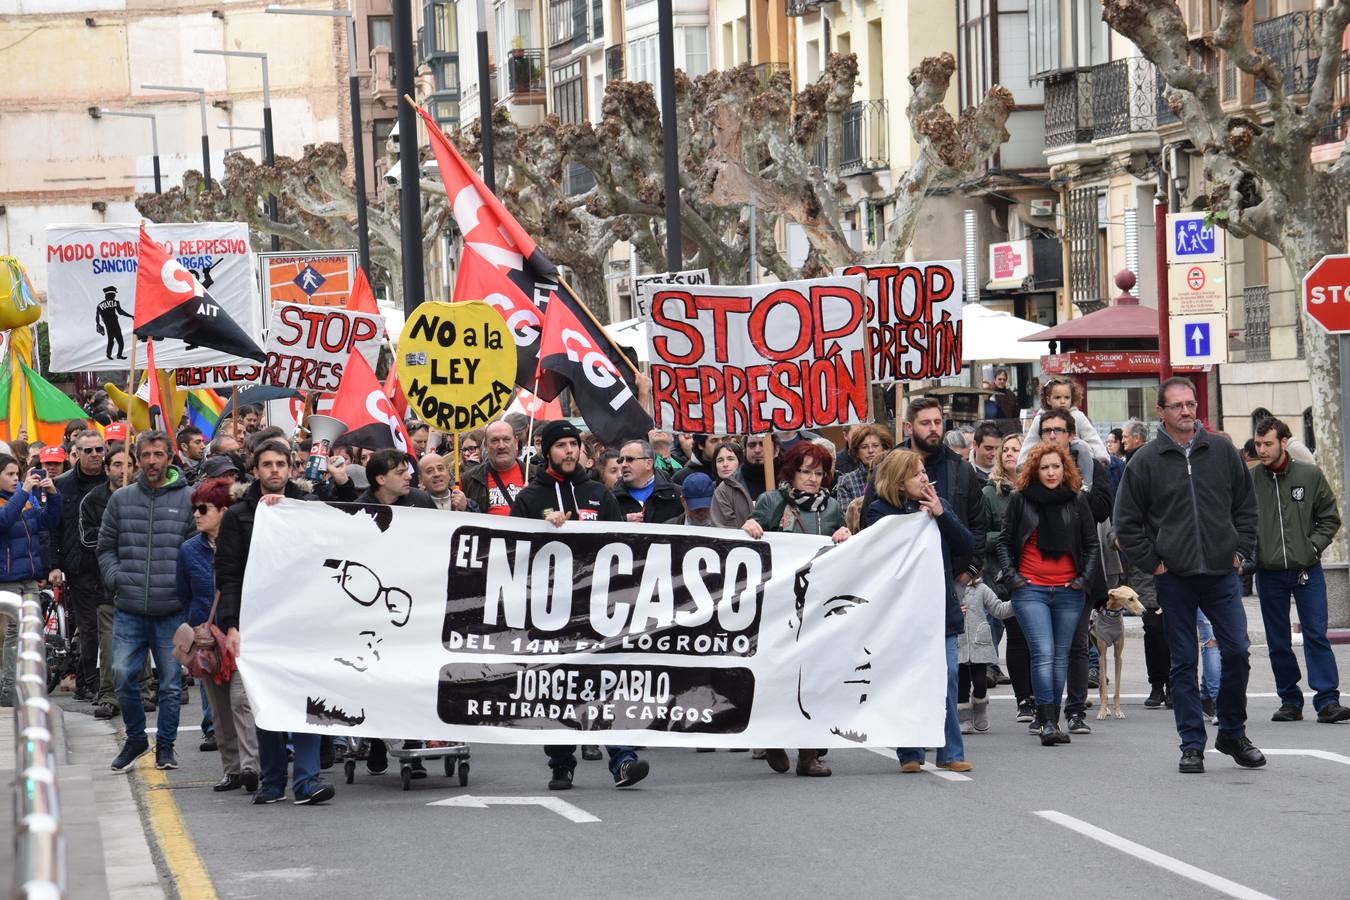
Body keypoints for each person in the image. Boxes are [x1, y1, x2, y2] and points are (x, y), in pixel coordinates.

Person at [1113, 377, 1264, 774]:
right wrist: (1154, 562)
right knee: (1183, 662)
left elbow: (1246, 507)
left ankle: (1232, 732)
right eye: (1176, 405)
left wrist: (1239, 551)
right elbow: (1126, 522)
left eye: (1190, 403)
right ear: (1160, 412)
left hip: (1220, 573)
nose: (1186, 410)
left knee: (1236, 651)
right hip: (1174, 577)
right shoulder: (1144, 461)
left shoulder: (1222, 451)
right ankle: (1192, 744)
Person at [510, 420, 649, 790]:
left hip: (595, 608)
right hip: (548, 611)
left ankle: (622, 759)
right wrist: (542, 531)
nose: (569, 451)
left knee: (604, 683)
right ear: (547, 451)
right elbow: (512, 555)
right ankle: (560, 762)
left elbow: (623, 546)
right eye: (561, 445)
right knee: (557, 686)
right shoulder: (528, 498)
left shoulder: (599, 494)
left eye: (574, 444)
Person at [218, 439, 338, 804]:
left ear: (292, 469)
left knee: (307, 699)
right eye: (266, 464)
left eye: (280, 464)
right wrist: (232, 626)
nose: (274, 470)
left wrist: (287, 512)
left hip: (303, 620)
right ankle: (272, 782)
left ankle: (306, 782)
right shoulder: (238, 515)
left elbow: (330, 550)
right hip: (259, 623)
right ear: (255, 471)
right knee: (266, 701)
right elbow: (228, 575)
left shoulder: (309, 509)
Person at [741, 441, 849, 778]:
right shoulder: (772, 502)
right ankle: (773, 737)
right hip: (778, 604)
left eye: (818, 473)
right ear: (792, 472)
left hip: (816, 603)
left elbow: (842, 544)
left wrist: (846, 534)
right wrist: (751, 528)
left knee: (814, 677)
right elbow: (750, 540)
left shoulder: (831, 508)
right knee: (779, 675)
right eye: (806, 471)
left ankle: (808, 754)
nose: (813, 479)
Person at [866, 448, 974, 773]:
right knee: (908, 679)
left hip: (940, 610)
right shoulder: (878, 511)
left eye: (924, 471)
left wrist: (942, 513)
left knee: (948, 677)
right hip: (902, 614)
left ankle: (950, 752)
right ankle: (910, 752)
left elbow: (967, 546)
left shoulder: (939, 506)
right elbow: (877, 553)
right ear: (900, 482)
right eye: (916, 474)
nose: (924, 478)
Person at [96, 431, 195, 772]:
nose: (152, 460)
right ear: (138, 459)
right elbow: (105, 547)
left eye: (158, 454)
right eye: (146, 455)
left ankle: (165, 746)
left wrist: (187, 593)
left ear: (170, 457)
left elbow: (197, 551)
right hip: (129, 608)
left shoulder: (189, 499)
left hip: (172, 610)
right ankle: (136, 738)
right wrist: (117, 578)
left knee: (169, 683)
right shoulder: (121, 500)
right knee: (123, 675)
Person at [996, 441, 1100, 746]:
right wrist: (1013, 578)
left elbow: (1092, 545)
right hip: (1031, 589)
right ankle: (1049, 722)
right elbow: (1004, 541)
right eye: (1044, 467)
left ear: (1065, 468)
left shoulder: (1077, 500)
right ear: (1034, 470)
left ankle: (1048, 717)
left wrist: (1082, 580)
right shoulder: (1020, 499)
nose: (1051, 472)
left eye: (1056, 466)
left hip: (1069, 590)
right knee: (1043, 652)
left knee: (1060, 656)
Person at [1250, 416, 1349, 724]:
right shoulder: (1251, 480)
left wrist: (1313, 547)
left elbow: (1329, 518)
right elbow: (1239, 521)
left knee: (1316, 634)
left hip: (1308, 570)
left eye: (1268, 444)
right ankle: (1289, 701)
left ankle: (1328, 701)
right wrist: (1252, 553)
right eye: (1258, 444)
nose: (1262, 450)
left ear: (1283, 442)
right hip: (1268, 572)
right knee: (1277, 639)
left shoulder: (1309, 474)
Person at [176, 478, 260, 793]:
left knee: (241, 701)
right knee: (219, 710)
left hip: (240, 634)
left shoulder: (244, 542)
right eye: (194, 509)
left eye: (203, 509)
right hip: (209, 642)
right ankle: (232, 770)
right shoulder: (188, 550)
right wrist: (200, 628)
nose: (196, 515)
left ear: (224, 511)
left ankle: (252, 766)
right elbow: (183, 595)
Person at [1035, 410, 1115, 737]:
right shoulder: (1030, 471)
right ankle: (1046, 711)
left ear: (1071, 435)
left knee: (1078, 644)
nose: (1053, 436)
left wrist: (1077, 486)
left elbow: (1101, 509)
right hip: (1040, 572)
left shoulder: (1091, 466)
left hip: (1079, 569)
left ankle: (1076, 711)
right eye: (1047, 430)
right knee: (1045, 646)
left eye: (1059, 430)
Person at [80, 446, 149, 720]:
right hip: (105, 582)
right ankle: (109, 694)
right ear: (107, 469)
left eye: (128, 465)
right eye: (117, 465)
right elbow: (87, 538)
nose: (123, 470)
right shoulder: (93, 500)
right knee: (109, 642)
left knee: (141, 638)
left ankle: (143, 690)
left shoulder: (145, 497)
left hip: (140, 580)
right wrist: (116, 535)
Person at [50, 429, 109, 703]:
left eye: (99, 449)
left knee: (111, 624)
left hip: (109, 562)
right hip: (79, 564)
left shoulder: (114, 480)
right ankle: (89, 680)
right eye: (89, 450)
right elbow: (53, 528)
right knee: (88, 626)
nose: (95, 454)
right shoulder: (62, 485)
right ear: (77, 453)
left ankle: (107, 679)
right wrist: (54, 565)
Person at [0, 455, 62, 709]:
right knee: (16, 632)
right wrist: (23, 491)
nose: (16, 479)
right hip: (7, 577)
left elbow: (48, 521)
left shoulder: (24, 500)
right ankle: (7, 689)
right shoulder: (18, 499)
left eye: (18, 474)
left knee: (32, 632)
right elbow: (4, 521)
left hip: (28, 576)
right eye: (10, 474)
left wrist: (53, 494)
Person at [982, 433, 1033, 722]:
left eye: (1018, 449)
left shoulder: (1035, 489)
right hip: (1001, 574)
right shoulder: (991, 493)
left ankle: (1041, 696)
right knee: (1014, 635)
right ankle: (1023, 699)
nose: (1012, 454)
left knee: (1035, 640)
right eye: (1007, 450)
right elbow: (981, 534)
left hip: (1035, 572)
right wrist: (1008, 537)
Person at [957, 576, 1014, 734]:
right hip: (958, 644)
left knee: (981, 683)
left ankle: (980, 711)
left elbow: (998, 609)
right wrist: (954, 612)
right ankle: (964, 719)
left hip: (979, 645)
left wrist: (1018, 601)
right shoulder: (951, 587)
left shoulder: (982, 588)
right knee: (962, 685)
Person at [1019, 377, 1109, 467]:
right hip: (1047, 462)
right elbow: (1030, 443)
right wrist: (1023, 464)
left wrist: (1101, 458)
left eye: (1067, 397)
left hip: (1078, 464)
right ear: (1048, 400)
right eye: (1057, 397)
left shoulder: (1078, 417)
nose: (1062, 401)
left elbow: (1092, 438)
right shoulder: (1040, 419)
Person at [462, 420, 535, 516]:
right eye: (495, 441)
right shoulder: (469, 479)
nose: (501, 446)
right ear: (486, 446)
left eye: (506, 439)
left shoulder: (536, 475)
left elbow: (548, 510)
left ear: (516, 443)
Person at [613, 439, 682, 524]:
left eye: (630, 459)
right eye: (620, 460)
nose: (623, 465)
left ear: (648, 464)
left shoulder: (677, 495)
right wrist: (623, 520)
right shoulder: (612, 497)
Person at [833, 424, 893, 506]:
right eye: (864, 447)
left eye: (875, 446)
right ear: (857, 452)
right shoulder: (847, 481)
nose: (871, 450)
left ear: (884, 448)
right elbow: (847, 516)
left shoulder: (895, 475)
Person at [358, 450, 436, 509]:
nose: (409, 477)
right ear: (381, 479)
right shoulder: (359, 510)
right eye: (400, 472)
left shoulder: (422, 500)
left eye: (407, 470)